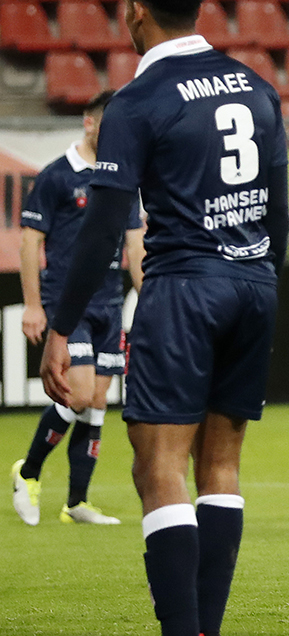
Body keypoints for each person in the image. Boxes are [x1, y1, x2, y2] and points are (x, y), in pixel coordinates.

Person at [38, 0, 289, 636]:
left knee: (158, 468)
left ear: (136, 12)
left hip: (183, 290)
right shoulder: (255, 87)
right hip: (253, 284)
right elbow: (279, 214)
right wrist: (263, 293)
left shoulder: (138, 100)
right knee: (222, 466)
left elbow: (103, 229)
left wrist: (59, 326)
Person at [12, 89, 145, 527]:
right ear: (90, 124)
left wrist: (148, 298)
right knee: (81, 392)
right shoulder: (56, 177)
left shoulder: (123, 179)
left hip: (109, 301)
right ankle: (28, 471)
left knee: (98, 402)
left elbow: (135, 245)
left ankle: (76, 502)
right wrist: (33, 305)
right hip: (68, 303)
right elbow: (31, 241)